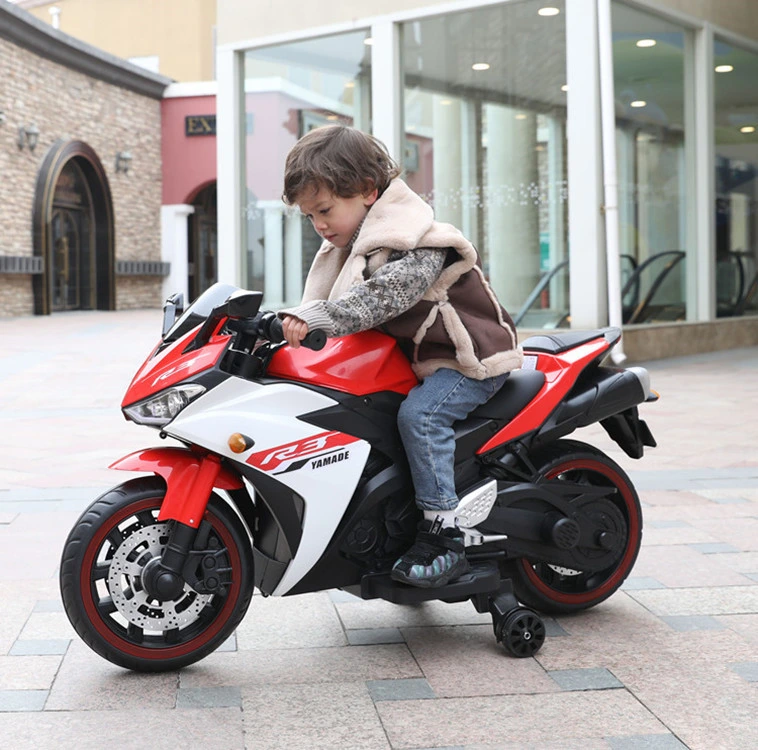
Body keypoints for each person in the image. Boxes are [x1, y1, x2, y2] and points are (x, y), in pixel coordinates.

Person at [279, 125, 523, 588]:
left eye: (326, 210)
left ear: (368, 192)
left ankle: (442, 535)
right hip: (421, 361)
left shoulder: (420, 241)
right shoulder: (348, 248)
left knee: (420, 418)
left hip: (467, 361)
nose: (321, 226)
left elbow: (381, 298)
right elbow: (323, 305)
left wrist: (320, 318)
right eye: (311, 217)